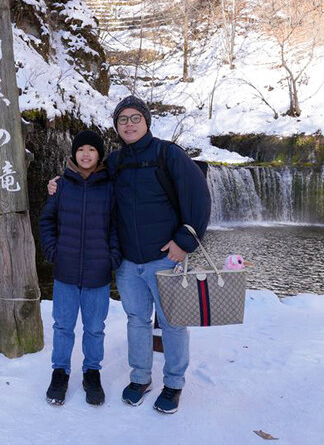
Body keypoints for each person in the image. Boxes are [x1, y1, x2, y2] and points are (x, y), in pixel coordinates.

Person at [47, 96, 210, 414]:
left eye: (135, 118)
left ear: (147, 121)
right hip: (128, 262)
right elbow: (85, 180)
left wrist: (185, 242)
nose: (129, 124)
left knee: (172, 322)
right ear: (116, 127)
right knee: (137, 321)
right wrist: (58, 183)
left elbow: (199, 196)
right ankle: (140, 379)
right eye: (122, 120)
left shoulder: (167, 153)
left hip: (167, 258)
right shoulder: (116, 163)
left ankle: (173, 384)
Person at [39, 130, 121, 407]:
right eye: (81, 149)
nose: (86, 154)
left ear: (99, 155)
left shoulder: (109, 186)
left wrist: (112, 257)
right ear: (74, 153)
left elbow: (116, 228)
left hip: (98, 271)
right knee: (63, 325)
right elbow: (46, 221)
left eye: (92, 150)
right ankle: (60, 372)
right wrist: (53, 251)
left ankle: (92, 372)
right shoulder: (61, 185)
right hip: (66, 270)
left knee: (95, 327)